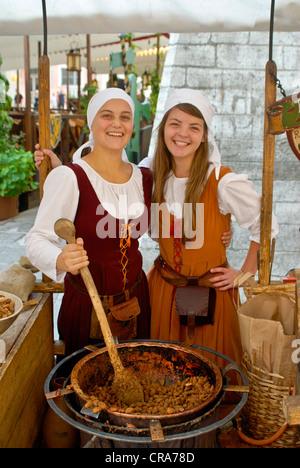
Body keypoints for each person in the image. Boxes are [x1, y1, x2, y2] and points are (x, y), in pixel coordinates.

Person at [141, 88, 278, 372]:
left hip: (212, 293)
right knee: (163, 378)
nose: (182, 133)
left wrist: (245, 273)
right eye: (175, 123)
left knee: (212, 375)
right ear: (163, 128)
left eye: (194, 127)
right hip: (165, 290)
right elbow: (108, 181)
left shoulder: (221, 180)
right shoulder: (150, 174)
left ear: (204, 136)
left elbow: (265, 225)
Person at [26, 88, 153, 355]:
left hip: (137, 302)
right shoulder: (69, 177)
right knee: (87, 387)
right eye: (107, 116)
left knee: (140, 379)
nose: (117, 124)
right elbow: (37, 240)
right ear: (92, 123)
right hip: (87, 308)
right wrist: (61, 259)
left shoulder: (143, 177)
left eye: (125, 117)